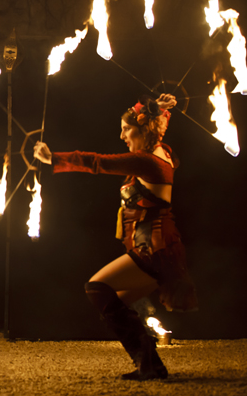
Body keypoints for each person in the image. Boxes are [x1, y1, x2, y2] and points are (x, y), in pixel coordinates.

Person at [34, 93, 198, 381]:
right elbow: (152, 121)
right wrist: (162, 108)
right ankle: (151, 366)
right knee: (114, 303)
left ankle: (148, 364)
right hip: (158, 247)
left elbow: (98, 162)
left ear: (144, 129)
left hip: (154, 249)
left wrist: (54, 158)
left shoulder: (148, 161)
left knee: (97, 288)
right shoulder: (163, 153)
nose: (121, 135)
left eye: (126, 129)